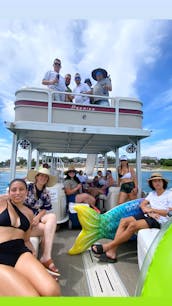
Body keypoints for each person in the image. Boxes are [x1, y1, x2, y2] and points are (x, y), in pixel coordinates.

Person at [91, 173, 172, 263]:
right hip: (149, 215)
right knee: (123, 221)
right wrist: (146, 209)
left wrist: (151, 210)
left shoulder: (169, 194)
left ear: (163, 182)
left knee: (132, 225)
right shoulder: (152, 194)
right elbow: (142, 204)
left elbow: (167, 212)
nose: (157, 183)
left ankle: (108, 247)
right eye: (154, 181)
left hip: (159, 220)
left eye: (159, 181)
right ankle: (112, 252)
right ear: (152, 184)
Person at [0, 178, 60, 296]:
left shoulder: (29, 213)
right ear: (9, 192)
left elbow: (26, 239)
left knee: (52, 291)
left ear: (27, 192)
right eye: (14, 190)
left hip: (20, 253)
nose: (17, 192)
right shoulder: (2, 203)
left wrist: (35, 260)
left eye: (21, 189)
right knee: (32, 297)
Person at [25, 167, 59, 276]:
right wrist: (31, 217)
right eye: (41, 175)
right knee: (47, 230)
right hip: (25, 218)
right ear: (36, 177)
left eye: (46, 176)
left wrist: (38, 217)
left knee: (52, 217)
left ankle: (46, 256)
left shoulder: (46, 193)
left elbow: (45, 209)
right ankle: (45, 258)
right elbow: (17, 201)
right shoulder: (27, 188)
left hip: (36, 217)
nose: (43, 178)